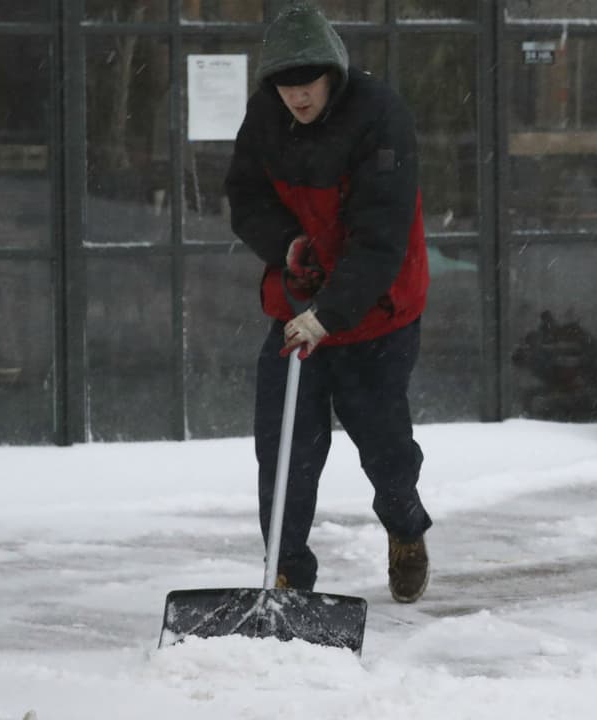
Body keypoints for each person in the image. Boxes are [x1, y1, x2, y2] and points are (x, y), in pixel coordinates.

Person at [224, 2, 431, 603]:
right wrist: (287, 247)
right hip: (297, 305)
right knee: (285, 452)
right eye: (286, 87)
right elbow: (246, 197)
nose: (297, 98)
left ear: (332, 75)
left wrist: (330, 315)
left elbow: (380, 237)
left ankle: (405, 530)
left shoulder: (380, 118)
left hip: (377, 311)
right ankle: (286, 578)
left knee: (384, 445)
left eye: (307, 85)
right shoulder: (265, 117)